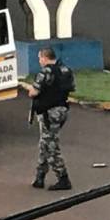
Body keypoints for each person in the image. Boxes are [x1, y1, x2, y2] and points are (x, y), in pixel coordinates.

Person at [25, 47, 75, 191]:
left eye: (40, 58)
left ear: (45, 58)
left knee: (51, 146)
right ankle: (40, 177)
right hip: (61, 111)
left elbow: (34, 92)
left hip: (48, 113)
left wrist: (30, 89)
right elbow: (70, 88)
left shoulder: (45, 72)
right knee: (44, 143)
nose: (39, 61)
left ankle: (63, 178)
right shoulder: (65, 70)